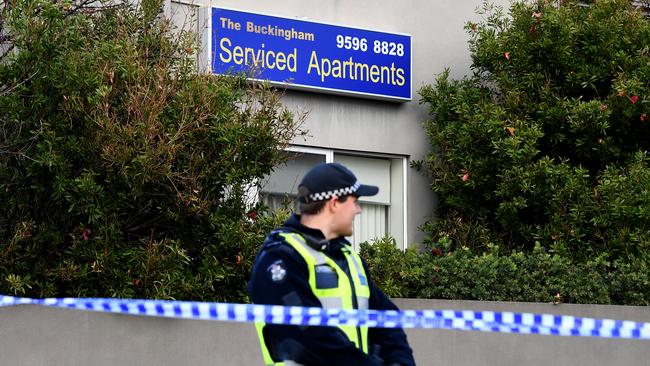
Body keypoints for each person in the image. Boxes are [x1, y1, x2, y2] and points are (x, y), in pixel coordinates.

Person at [248, 162, 416, 366]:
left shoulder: (350, 259)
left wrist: (400, 361)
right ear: (334, 203)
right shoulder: (279, 258)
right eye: (355, 201)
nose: (358, 210)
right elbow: (307, 336)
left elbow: (387, 320)